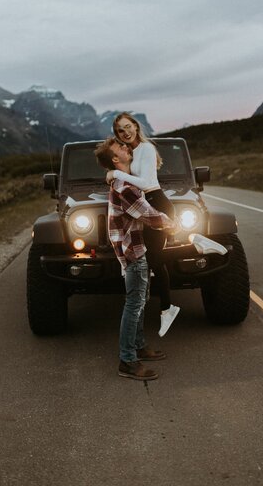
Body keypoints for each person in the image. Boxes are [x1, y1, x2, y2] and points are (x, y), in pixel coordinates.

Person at [94, 137, 177, 381]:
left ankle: (139, 346)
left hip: (137, 249)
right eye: (120, 147)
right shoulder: (124, 186)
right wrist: (173, 224)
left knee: (140, 300)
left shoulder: (126, 181)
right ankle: (128, 360)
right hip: (133, 252)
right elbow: (148, 214)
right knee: (134, 304)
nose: (126, 146)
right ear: (115, 160)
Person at [107, 112, 180, 338]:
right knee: (149, 260)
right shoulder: (130, 152)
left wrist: (116, 172)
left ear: (136, 127)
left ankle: (167, 308)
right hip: (144, 206)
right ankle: (162, 308)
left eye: (129, 126)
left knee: (155, 259)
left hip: (156, 202)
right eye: (121, 130)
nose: (126, 132)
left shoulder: (146, 149)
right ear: (118, 134)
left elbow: (147, 183)